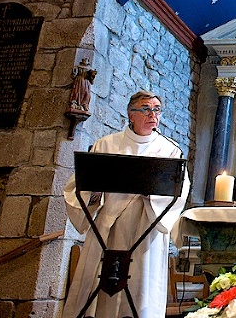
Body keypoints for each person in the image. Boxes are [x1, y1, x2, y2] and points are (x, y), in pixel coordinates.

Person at [62, 90, 190, 318]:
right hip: (107, 227)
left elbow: (178, 192)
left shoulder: (170, 150)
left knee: (140, 289)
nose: (153, 114)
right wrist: (95, 194)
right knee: (98, 288)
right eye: (146, 109)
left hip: (145, 227)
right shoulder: (106, 145)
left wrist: (150, 193)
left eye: (157, 109)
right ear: (131, 114)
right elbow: (79, 186)